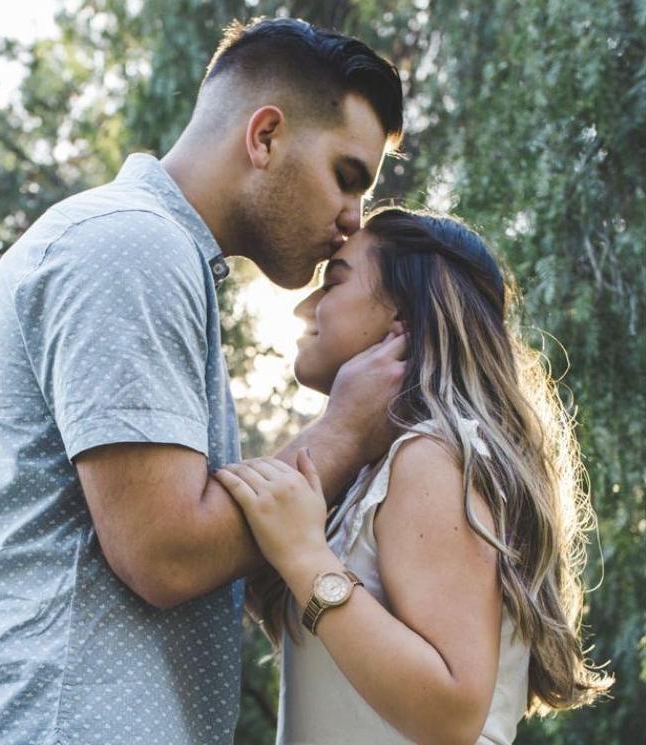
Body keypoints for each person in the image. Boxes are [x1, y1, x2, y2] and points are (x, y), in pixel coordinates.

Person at [0, 18, 405, 745]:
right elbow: (164, 553)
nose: (352, 220)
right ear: (265, 136)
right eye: (346, 176)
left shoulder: (150, 252)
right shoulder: (132, 245)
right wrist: (345, 431)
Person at [214, 207, 613, 745]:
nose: (303, 308)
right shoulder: (378, 474)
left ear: (401, 314)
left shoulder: (432, 457)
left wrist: (304, 557)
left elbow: (451, 713)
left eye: (332, 283)